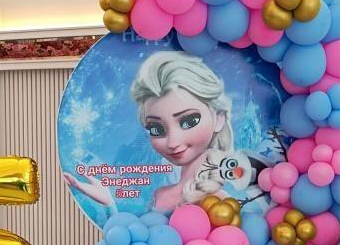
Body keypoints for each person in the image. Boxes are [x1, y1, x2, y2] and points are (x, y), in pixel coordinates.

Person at [64, 50, 234, 212]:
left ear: (218, 118)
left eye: (189, 121)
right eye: (156, 129)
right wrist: (109, 204)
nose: (173, 142)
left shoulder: (220, 203)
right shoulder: (159, 195)